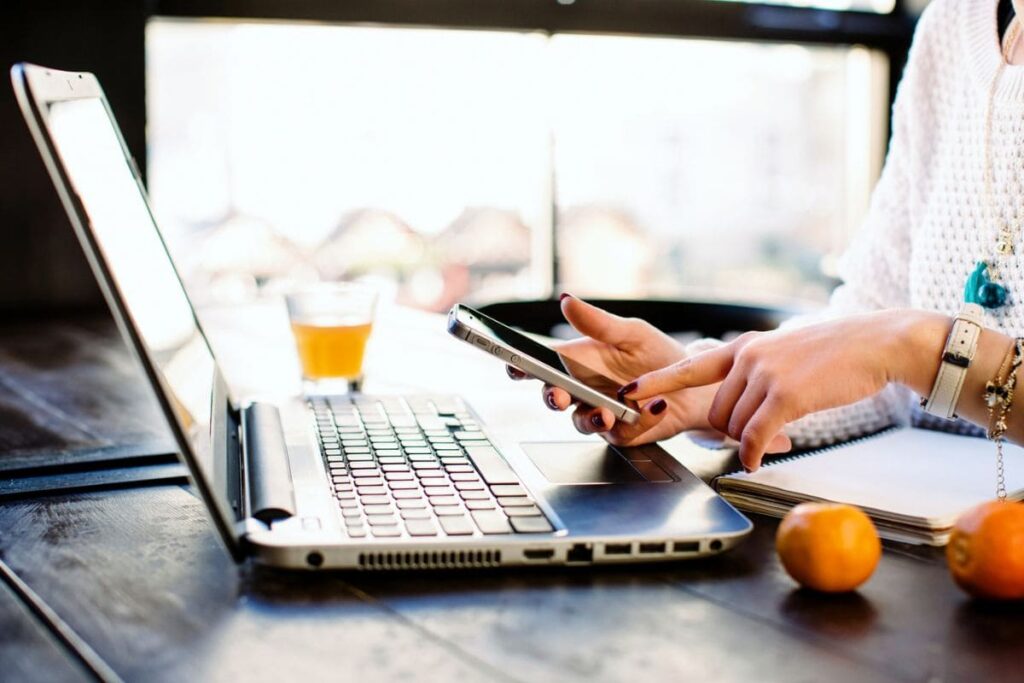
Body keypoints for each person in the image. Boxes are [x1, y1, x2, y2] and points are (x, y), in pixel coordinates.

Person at [511, 0, 1024, 474]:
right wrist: (707, 387)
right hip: (934, 529)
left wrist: (915, 344)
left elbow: (892, 348)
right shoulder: (951, 23)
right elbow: (879, 356)